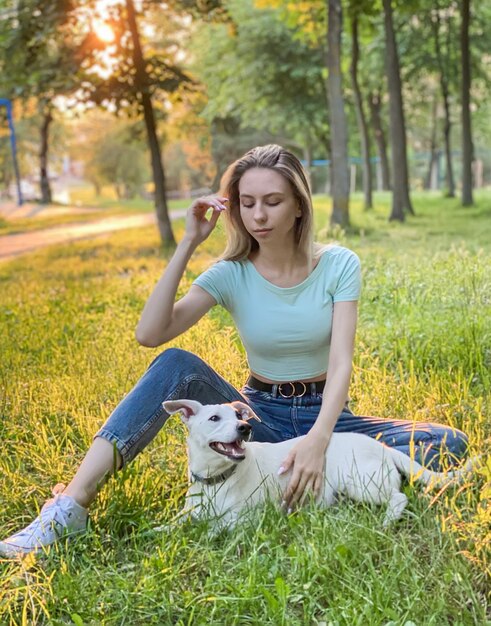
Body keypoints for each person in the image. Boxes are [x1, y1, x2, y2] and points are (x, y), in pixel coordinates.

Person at [0, 144, 469, 557]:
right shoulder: (231, 272)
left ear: (300, 207)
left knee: (447, 443)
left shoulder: (339, 264)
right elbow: (150, 333)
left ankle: (320, 477)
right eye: (247, 204)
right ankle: (70, 508)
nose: (258, 215)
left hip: (327, 414)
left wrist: (319, 440)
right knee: (175, 364)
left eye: (272, 202)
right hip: (256, 420)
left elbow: (342, 360)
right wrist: (188, 242)